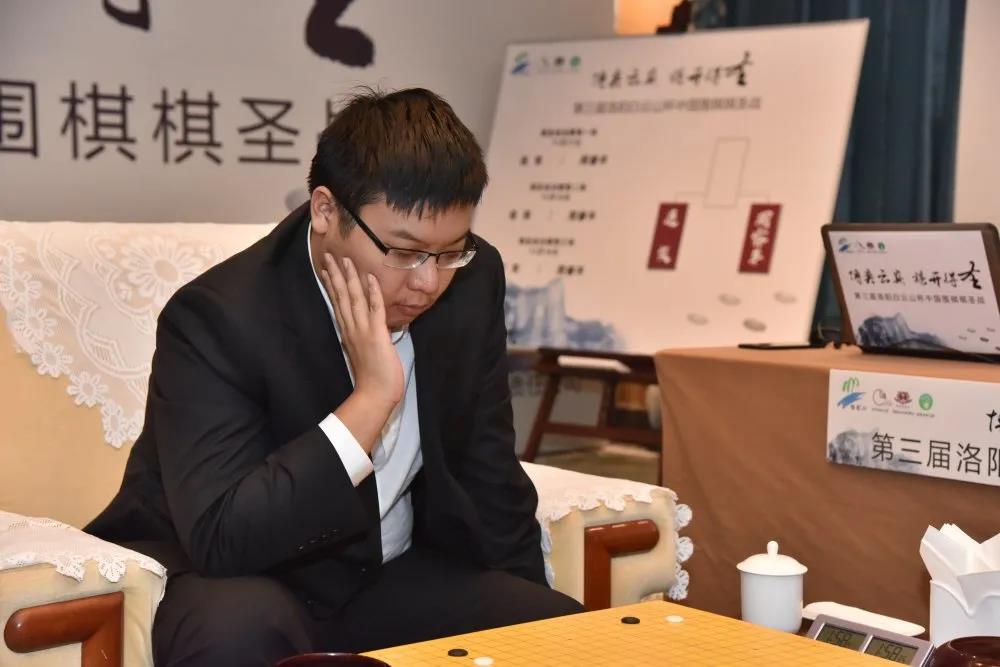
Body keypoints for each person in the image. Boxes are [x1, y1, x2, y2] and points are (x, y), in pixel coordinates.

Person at [86, 87, 583, 666]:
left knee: (559, 635)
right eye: (404, 252)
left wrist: (531, 620)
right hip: (238, 574)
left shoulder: (471, 279)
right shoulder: (220, 316)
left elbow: (486, 467)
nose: (427, 283)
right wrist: (372, 399)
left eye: (450, 251)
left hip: (383, 573)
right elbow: (224, 537)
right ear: (325, 211)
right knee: (238, 633)